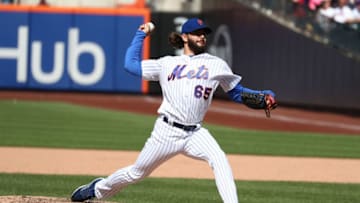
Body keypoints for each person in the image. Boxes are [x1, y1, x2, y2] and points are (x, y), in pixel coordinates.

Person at [70, 18, 277, 203]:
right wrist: (140, 34)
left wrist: (263, 95)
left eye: (204, 33)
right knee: (137, 173)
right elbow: (130, 65)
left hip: (195, 133)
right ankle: (98, 188)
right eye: (197, 33)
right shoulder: (167, 63)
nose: (202, 36)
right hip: (166, 131)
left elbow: (237, 93)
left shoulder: (217, 65)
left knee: (219, 159)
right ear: (185, 37)